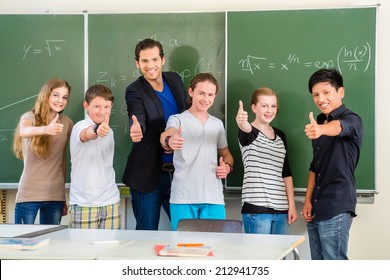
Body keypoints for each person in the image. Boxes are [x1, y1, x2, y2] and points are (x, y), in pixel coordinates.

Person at [122, 38, 187, 230]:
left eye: (154, 60)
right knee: (147, 232)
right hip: (149, 175)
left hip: (179, 171)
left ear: (162, 60)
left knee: (183, 229)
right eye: (144, 61)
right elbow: (137, 114)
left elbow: (187, 112)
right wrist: (137, 129)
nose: (150, 66)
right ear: (137, 63)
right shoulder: (134, 90)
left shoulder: (174, 79)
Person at [302, 68, 363, 260]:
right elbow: (315, 167)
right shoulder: (319, 122)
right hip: (316, 206)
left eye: (326, 92)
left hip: (337, 204)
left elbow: (339, 128)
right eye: (316, 95)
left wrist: (320, 130)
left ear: (341, 92)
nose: (321, 99)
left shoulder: (352, 119)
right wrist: (307, 200)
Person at [160, 72, 234, 231]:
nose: (205, 99)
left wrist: (227, 167)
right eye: (201, 93)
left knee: (213, 248)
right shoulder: (177, 119)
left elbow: (227, 155)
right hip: (183, 197)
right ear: (191, 92)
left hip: (213, 198)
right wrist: (170, 140)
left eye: (210, 95)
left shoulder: (217, 124)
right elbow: (166, 135)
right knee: (183, 249)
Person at [236, 87, 298, 234]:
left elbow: (286, 174)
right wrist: (241, 121)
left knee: (280, 256)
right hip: (256, 209)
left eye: (273, 106)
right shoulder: (248, 132)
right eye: (264, 105)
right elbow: (245, 127)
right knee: (259, 256)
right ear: (254, 108)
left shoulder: (280, 136)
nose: (269, 110)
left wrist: (292, 206)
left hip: (282, 210)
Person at [13, 78, 73, 225]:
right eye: (56, 95)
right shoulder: (29, 117)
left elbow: (62, 161)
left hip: (55, 195)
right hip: (29, 194)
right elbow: (24, 131)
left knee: (51, 243)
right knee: (22, 243)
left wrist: (63, 197)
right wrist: (45, 129)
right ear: (46, 95)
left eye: (65, 97)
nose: (60, 100)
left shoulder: (67, 123)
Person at [68, 84, 120, 229]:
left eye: (107, 107)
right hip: (84, 203)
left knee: (110, 250)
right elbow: (86, 134)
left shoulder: (110, 132)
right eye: (97, 106)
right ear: (86, 105)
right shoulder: (80, 126)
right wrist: (97, 129)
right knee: (83, 250)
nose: (102, 111)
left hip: (110, 201)